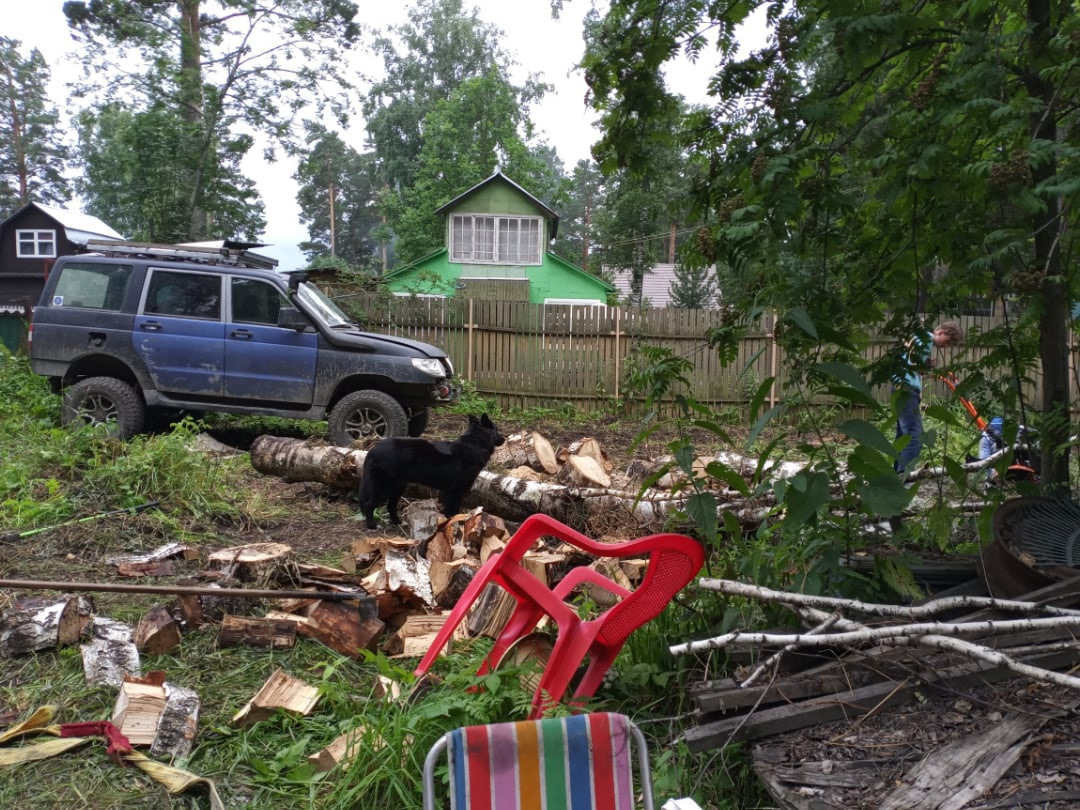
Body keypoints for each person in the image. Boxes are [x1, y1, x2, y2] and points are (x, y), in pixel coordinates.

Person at [893, 320, 965, 480]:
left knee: (903, 436)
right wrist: (923, 368)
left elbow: (909, 361)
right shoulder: (926, 340)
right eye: (948, 342)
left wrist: (925, 365)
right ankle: (904, 478)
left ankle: (894, 478)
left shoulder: (919, 338)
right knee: (914, 436)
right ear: (941, 332)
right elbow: (914, 367)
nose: (946, 347)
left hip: (900, 387)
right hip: (906, 389)